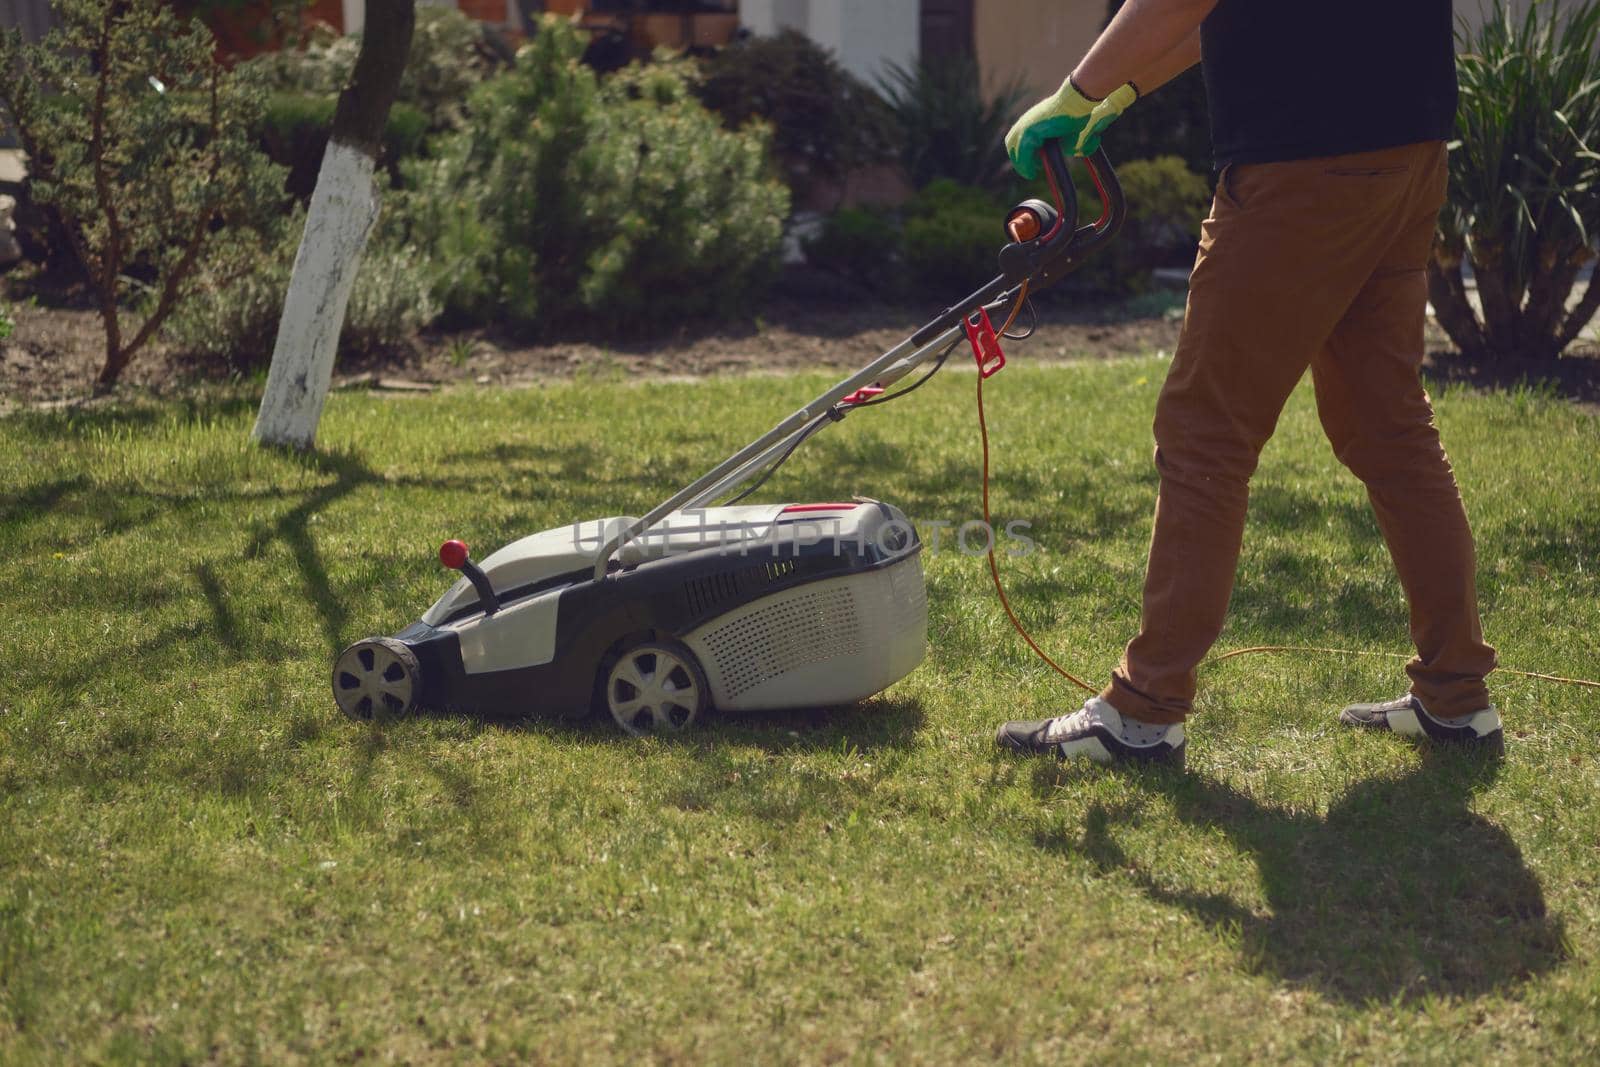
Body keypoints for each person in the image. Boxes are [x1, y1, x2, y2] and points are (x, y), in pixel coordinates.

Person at [993, 0, 1503, 769]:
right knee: (1390, 425)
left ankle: (1144, 709)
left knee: (1207, 430)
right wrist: (1122, 91)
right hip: (1405, 146)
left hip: (1302, 161)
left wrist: (1078, 89)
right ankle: (1458, 695)